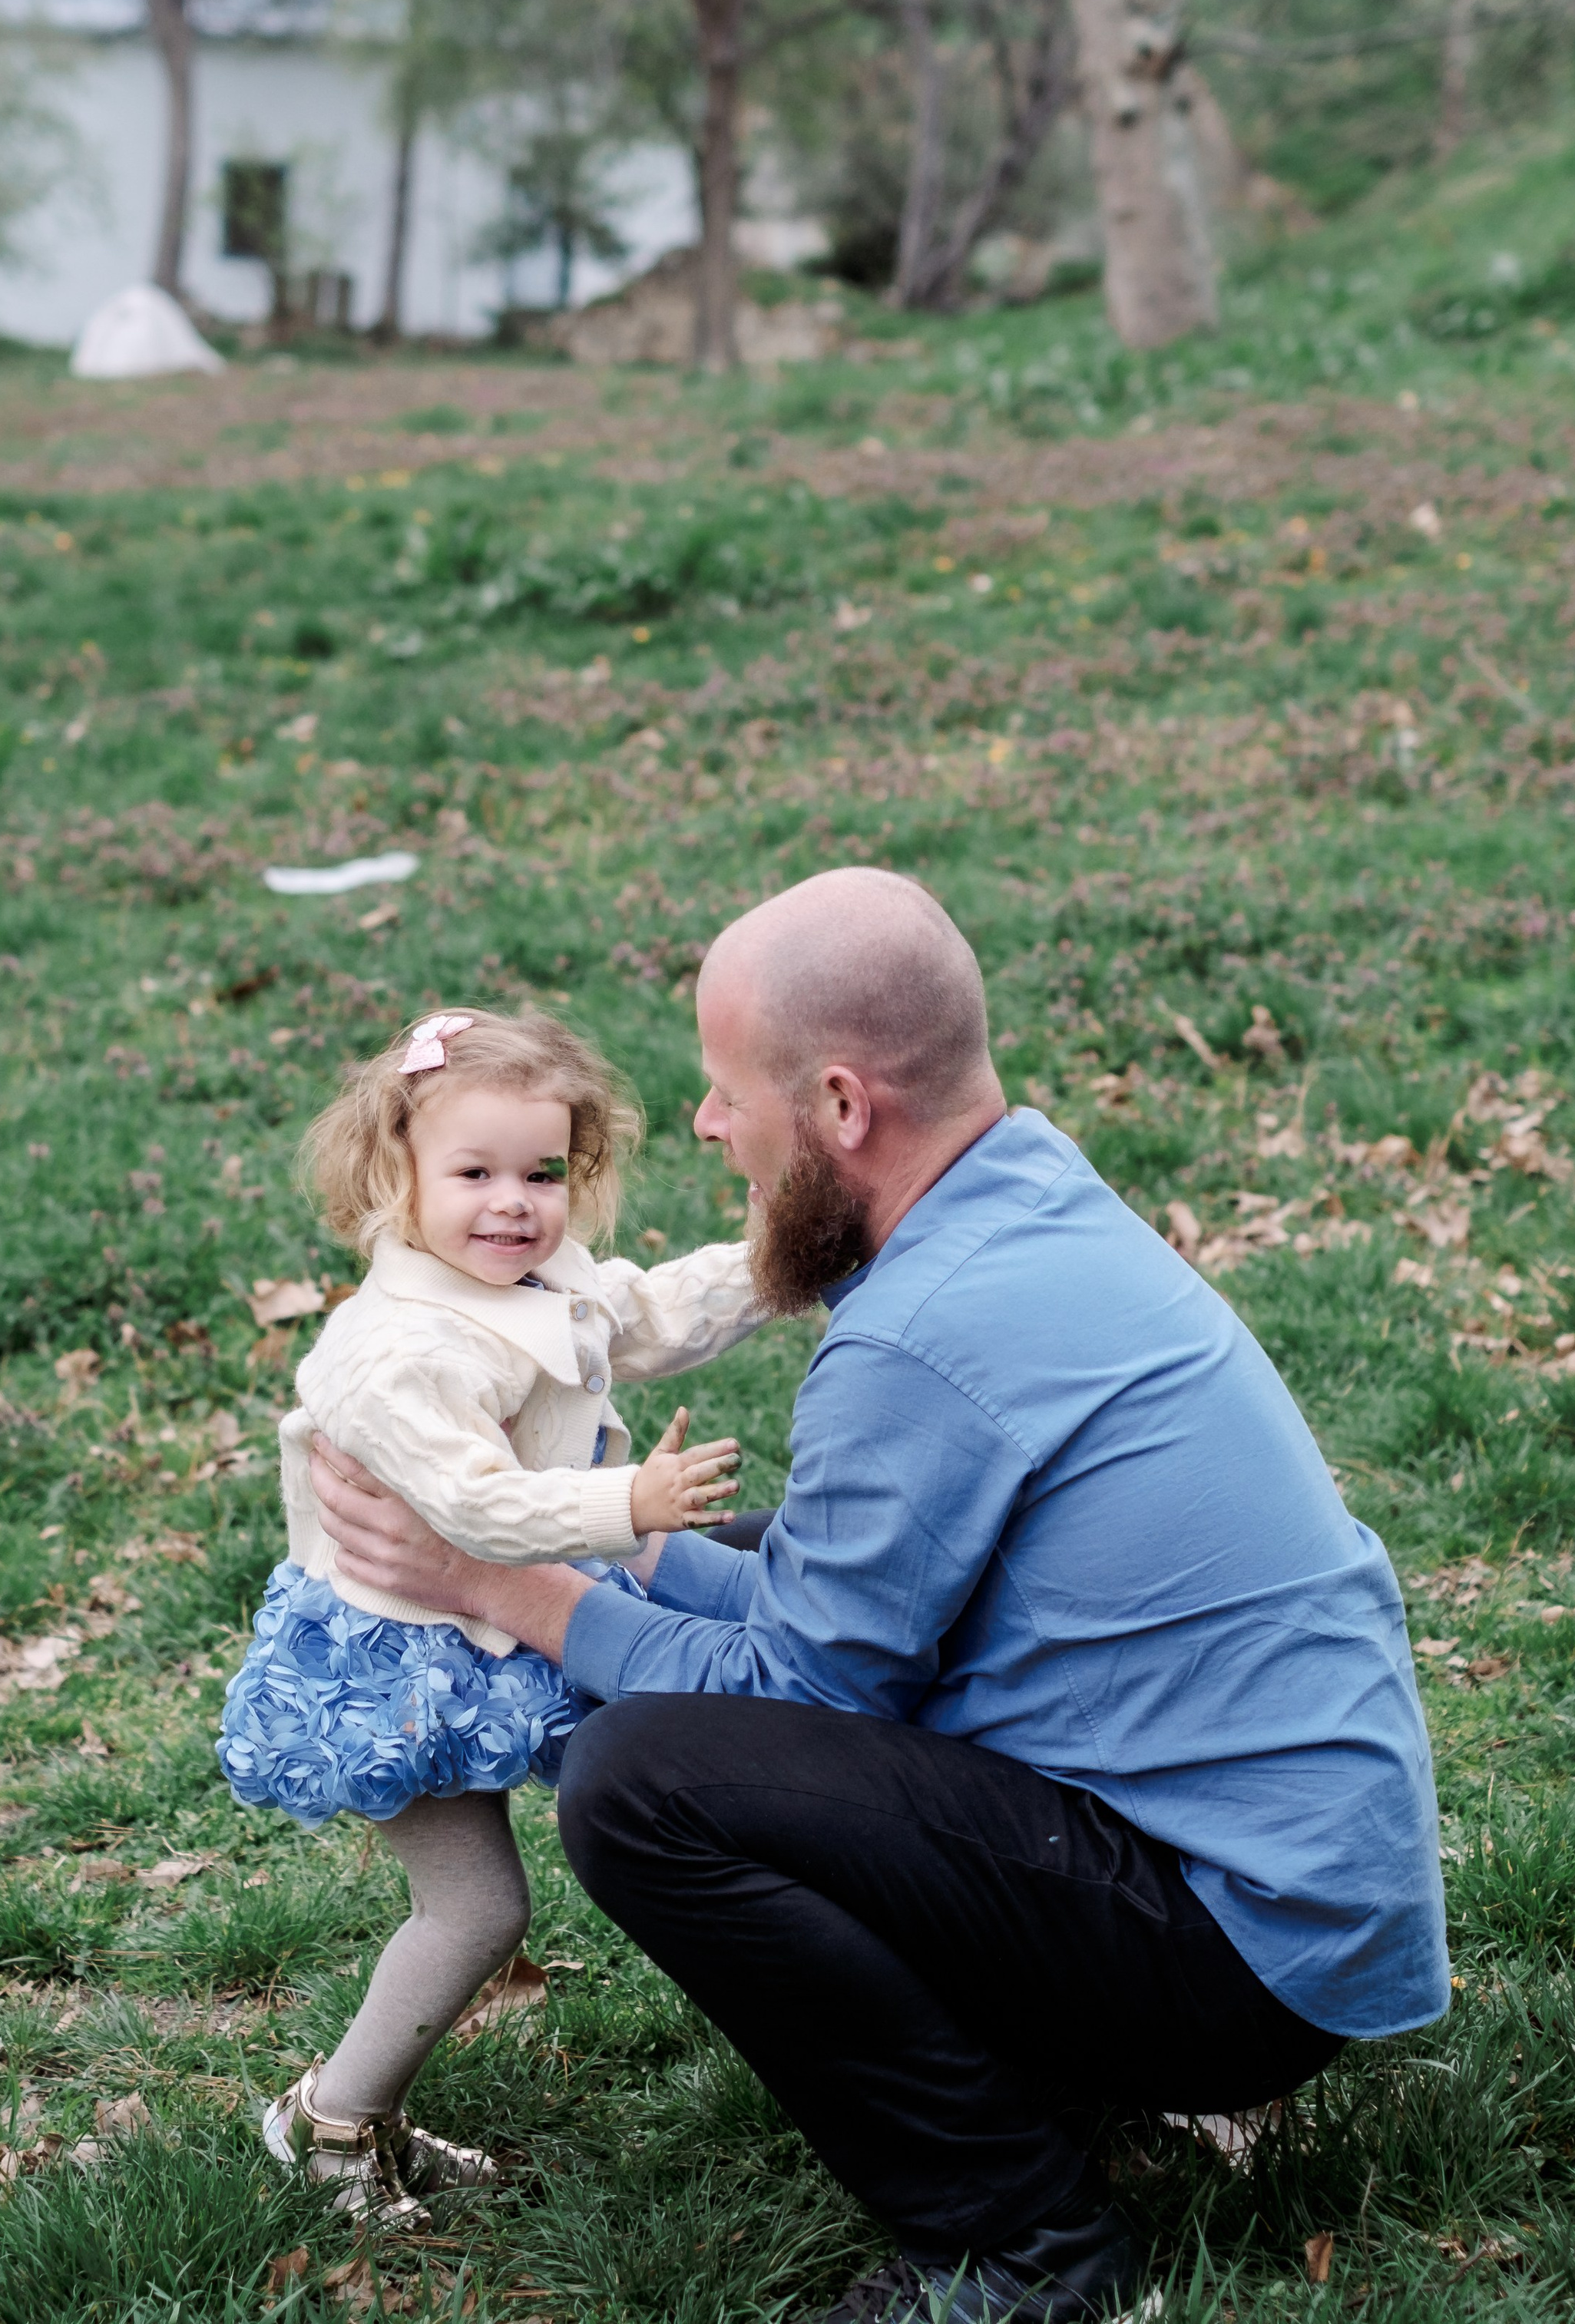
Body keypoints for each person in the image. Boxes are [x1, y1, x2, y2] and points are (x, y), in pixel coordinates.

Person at [308, 871, 1450, 2324]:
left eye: (731, 1094)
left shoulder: (920, 1337)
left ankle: (1026, 2257)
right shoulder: (1026, 1198)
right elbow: (838, 1599)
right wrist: (623, 1549)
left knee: (642, 1780)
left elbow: (799, 1696)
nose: (712, 1128)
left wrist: (499, 1586)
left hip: (1238, 1951)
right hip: (1284, 1893)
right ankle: (1075, 2095)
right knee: (745, 1629)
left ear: (842, 1106)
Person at [217, 1004, 763, 2230]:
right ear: (394, 1174)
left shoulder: (525, 1275)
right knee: (476, 1909)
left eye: (544, 1172)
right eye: (473, 1173)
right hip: (398, 1660)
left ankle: (359, 2114)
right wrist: (632, 1500)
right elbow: (472, 1502)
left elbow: (648, 1309)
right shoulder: (401, 1350)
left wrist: (784, 1263)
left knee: (545, 1862)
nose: (513, 1203)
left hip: (477, 1634)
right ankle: (329, 2124)